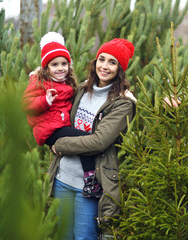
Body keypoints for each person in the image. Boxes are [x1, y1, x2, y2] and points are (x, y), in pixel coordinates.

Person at [47, 38, 136, 239]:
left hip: (89, 187)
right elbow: (59, 119)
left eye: (112, 62)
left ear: (120, 69)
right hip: (62, 179)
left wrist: (58, 144)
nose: (104, 66)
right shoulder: (81, 89)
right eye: (101, 59)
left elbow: (99, 142)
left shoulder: (123, 104)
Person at [22, 32, 103, 198]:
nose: (60, 68)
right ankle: (90, 181)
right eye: (54, 64)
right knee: (87, 140)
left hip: (60, 126)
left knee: (83, 143)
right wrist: (45, 100)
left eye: (64, 63)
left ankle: (89, 179)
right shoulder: (40, 83)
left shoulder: (66, 83)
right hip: (50, 130)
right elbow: (26, 105)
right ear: (46, 68)